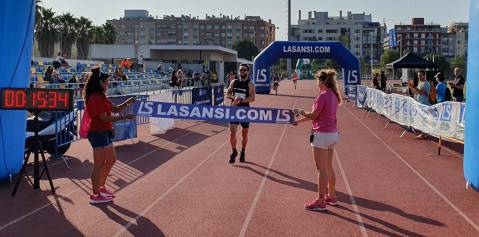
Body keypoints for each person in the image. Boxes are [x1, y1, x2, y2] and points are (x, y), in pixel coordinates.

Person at [83, 68, 136, 204]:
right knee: (98, 165)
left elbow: (115, 109)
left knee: (111, 160)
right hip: (98, 133)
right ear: (99, 83)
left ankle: (101, 187)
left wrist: (128, 102)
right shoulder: (95, 98)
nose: (108, 85)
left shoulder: (102, 97)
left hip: (104, 133)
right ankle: (95, 195)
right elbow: (105, 118)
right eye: (106, 83)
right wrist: (124, 116)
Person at [292, 69, 342, 211]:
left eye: (317, 81)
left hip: (321, 135)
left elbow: (314, 115)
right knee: (329, 166)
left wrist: (300, 111)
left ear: (321, 81)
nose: (316, 83)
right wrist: (299, 122)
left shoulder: (323, 96)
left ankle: (321, 200)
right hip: (332, 134)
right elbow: (319, 116)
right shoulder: (333, 95)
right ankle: (332, 196)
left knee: (321, 169)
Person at [226, 64, 256, 163]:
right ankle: (234, 151)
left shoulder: (250, 84)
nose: (242, 72)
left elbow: (252, 98)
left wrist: (242, 101)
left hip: (245, 111)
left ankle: (243, 151)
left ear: (248, 71)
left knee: (244, 133)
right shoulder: (234, 82)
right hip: (234, 110)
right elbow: (228, 94)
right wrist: (234, 98)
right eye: (240, 70)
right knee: (232, 133)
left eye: (244, 70)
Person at [408, 70, 431, 139]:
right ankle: (424, 133)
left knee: (424, 119)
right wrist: (411, 87)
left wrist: (414, 86)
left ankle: (425, 134)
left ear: (424, 75)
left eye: (421, 75)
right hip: (420, 104)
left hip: (425, 104)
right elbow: (416, 93)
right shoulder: (420, 83)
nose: (419, 77)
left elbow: (421, 92)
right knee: (422, 119)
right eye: (418, 75)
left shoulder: (426, 83)